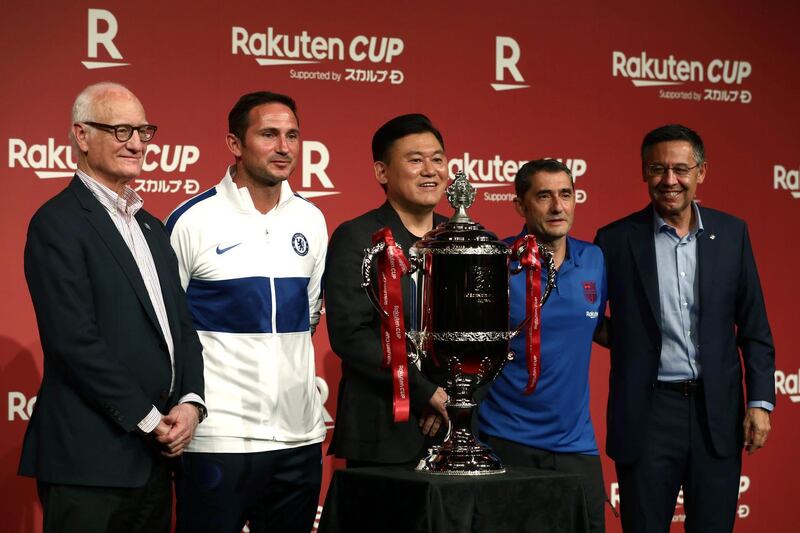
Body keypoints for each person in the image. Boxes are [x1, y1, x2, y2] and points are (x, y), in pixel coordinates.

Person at [20, 82, 206, 533]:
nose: (138, 143)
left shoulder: (152, 226)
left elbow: (182, 326)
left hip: (156, 459)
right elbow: (73, 340)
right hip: (90, 461)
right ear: (81, 136)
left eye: (143, 130)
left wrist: (190, 402)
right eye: (122, 130)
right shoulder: (57, 223)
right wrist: (148, 419)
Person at [594, 124, 775, 532]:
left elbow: (755, 328)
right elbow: (585, 315)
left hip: (718, 413)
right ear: (644, 172)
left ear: (701, 173)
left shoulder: (732, 234)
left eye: (681, 169)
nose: (669, 180)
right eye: (658, 169)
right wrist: (629, 343)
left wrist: (761, 402)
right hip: (647, 414)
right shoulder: (615, 240)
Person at [165, 91, 327, 533]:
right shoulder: (191, 221)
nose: (284, 147)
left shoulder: (311, 220)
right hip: (219, 438)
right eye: (269, 134)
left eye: (292, 135)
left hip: (299, 437)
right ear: (235, 144)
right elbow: (168, 328)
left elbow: (309, 316)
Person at [478, 158, 608, 532]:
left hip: (577, 447)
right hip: (507, 441)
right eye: (544, 196)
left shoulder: (594, 260)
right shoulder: (496, 262)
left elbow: (601, 327)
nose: (557, 207)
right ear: (520, 205)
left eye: (565, 194)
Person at [325, 113, 450, 466]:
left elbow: (484, 334)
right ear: (382, 172)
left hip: (453, 428)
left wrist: (452, 399)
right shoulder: (357, 237)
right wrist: (426, 392)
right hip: (382, 432)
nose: (430, 170)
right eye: (415, 160)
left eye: (437, 159)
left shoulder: (463, 238)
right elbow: (351, 335)